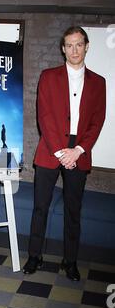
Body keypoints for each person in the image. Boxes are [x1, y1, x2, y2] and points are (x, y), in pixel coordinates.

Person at [23, 26, 106, 281]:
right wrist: (61, 152)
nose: (74, 50)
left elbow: (97, 120)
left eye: (79, 44)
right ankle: (34, 256)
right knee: (40, 207)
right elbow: (44, 116)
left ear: (87, 46)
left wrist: (78, 151)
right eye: (69, 45)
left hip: (79, 151)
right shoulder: (48, 76)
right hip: (51, 149)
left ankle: (70, 261)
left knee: (73, 210)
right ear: (63, 48)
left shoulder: (99, 82)